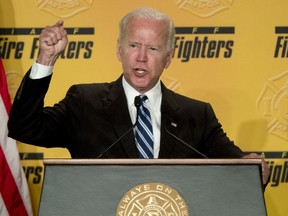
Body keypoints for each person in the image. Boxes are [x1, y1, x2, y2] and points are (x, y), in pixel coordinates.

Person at [7, 7, 270, 185]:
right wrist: (46, 59)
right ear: (119, 50)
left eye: (153, 48)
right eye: (133, 45)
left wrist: (253, 167)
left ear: (168, 58)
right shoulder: (85, 102)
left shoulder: (196, 115)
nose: (141, 57)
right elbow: (24, 127)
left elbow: (239, 168)